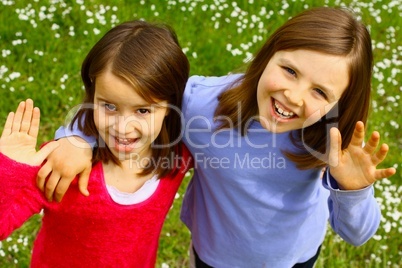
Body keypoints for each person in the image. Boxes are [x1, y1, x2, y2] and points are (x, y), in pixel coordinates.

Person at [38, 7, 396, 267]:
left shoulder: (329, 142)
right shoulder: (201, 104)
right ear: (267, 55)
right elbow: (134, 106)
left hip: (292, 259)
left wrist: (354, 190)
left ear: (340, 102)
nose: (295, 96)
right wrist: (76, 138)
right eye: (289, 70)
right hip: (212, 256)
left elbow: (357, 234)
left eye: (320, 92)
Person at [0, 20, 191, 268]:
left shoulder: (178, 156)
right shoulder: (61, 166)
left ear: (171, 106)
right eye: (109, 106)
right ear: (92, 96)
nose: (123, 128)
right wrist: (8, 170)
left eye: (143, 110)